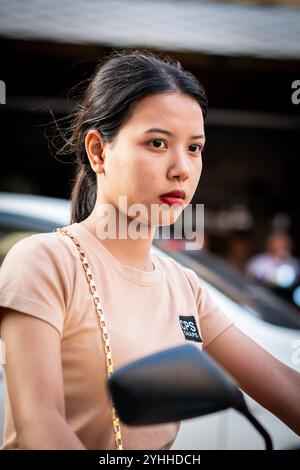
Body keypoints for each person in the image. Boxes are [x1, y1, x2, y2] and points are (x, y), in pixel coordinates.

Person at [0, 50, 299, 451]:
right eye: (157, 142)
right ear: (98, 152)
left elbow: (281, 385)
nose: (182, 168)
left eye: (194, 148)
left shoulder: (183, 286)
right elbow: (41, 425)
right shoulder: (45, 262)